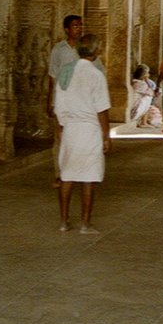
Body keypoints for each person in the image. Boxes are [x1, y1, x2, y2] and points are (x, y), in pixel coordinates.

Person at [54, 33, 112, 234]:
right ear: (96, 51)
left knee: (67, 175)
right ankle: (85, 224)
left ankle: (63, 221)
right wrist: (106, 135)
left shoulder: (65, 73)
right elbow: (102, 109)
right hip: (90, 130)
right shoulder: (96, 75)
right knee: (89, 178)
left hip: (71, 128)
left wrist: (62, 126)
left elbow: (59, 105)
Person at [47, 13, 83, 186]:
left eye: (80, 25)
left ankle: (75, 171)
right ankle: (59, 173)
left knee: (77, 136)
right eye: (75, 26)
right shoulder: (58, 49)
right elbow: (52, 75)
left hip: (80, 100)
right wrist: (50, 100)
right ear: (67, 29)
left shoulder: (85, 49)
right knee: (60, 137)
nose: (79, 29)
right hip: (62, 98)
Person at [130, 64, 163, 128]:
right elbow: (152, 93)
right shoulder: (141, 84)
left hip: (135, 108)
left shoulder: (136, 81)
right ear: (144, 75)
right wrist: (146, 80)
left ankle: (144, 122)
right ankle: (143, 122)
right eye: (147, 73)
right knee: (148, 98)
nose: (149, 75)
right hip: (134, 112)